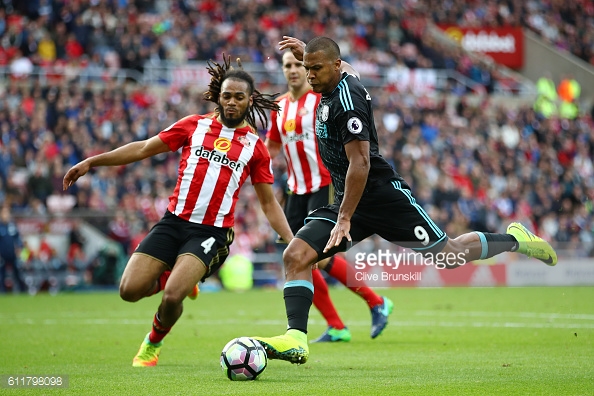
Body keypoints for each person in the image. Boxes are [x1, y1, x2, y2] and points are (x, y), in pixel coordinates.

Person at [253, 36, 558, 365]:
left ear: (335, 66)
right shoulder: (336, 83)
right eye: (306, 67)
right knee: (296, 255)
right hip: (349, 199)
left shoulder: (348, 102)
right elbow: (351, 69)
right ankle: (296, 338)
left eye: (316, 68)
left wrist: (343, 218)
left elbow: (361, 163)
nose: (309, 74)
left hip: (382, 197)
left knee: (449, 257)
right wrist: (308, 54)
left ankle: (516, 240)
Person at [63, 56, 294, 367]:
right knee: (129, 291)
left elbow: (268, 203)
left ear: (249, 100)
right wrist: (93, 161)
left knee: (173, 296)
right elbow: (143, 148)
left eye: (239, 97)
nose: (232, 102)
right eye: (227, 95)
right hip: (173, 223)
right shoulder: (193, 126)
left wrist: (291, 242)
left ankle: (152, 343)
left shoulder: (255, 147)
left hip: (210, 233)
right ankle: (179, 273)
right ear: (218, 96)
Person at [265, 50, 393, 343]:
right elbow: (271, 148)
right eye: (288, 65)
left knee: (315, 257)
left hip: (325, 184)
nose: (294, 70)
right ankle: (340, 323)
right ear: (282, 70)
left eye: (299, 64)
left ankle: (373, 302)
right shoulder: (280, 106)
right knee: (302, 259)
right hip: (295, 191)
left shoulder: (322, 98)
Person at [0, 206, 28, 293]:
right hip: (2, 255)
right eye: (4, 213)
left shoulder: (12, 226)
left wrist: (20, 248)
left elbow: (18, 239)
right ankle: (2, 293)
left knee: (18, 274)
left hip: (13, 254)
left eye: (7, 213)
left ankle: (22, 291)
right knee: (1, 276)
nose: (6, 215)